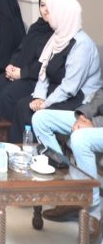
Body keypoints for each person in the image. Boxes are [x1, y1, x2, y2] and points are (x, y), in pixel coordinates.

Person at [7, 0, 102, 142]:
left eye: (51, 11)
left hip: (79, 98)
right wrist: (39, 96)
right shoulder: (58, 37)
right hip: (58, 91)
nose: (47, 14)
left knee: (29, 111)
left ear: (62, 15)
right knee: (22, 105)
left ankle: (42, 154)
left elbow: (70, 87)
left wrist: (45, 103)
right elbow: (43, 73)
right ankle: (17, 151)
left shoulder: (82, 45)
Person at [32, 88, 103, 240]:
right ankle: (69, 194)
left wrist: (95, 123)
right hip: (97, 119)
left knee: (80, 138)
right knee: (41, 118)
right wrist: (84, 116)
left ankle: (93, 210)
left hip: (99, 123)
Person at [0, 0, 60, 114]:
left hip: (35, 79)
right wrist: (11, 65)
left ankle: (4, 127)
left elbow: (45, 64)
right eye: (42, 5)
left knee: (7, 95)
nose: (45, 9)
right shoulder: (36, 27)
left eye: (50, 5)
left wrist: (22, 73)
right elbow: (20, 49)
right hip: (19, 71)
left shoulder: (58, 33)